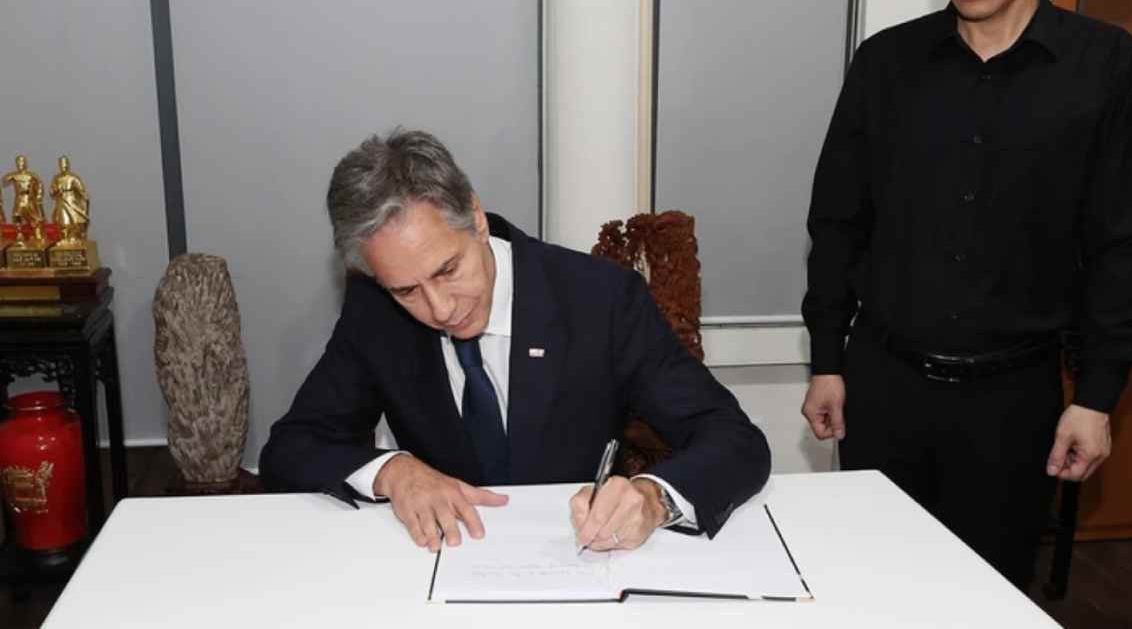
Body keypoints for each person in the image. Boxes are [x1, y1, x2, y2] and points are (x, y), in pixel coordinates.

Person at [800, 0, 1132, 591]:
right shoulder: (886, 64)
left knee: (984, 594)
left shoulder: (1111, 70)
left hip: (1013, 398)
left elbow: (1124, 245)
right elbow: (836, 220)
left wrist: (1097, 397)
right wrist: (827, 358)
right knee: (865, 586)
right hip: (883, 384)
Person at [261, 129, 770, 554]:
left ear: (477, 220)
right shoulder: (375, 314)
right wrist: (392, 471)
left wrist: (653, 498)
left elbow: (735, 440)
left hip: (581, 558)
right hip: (442, 565)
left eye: (448, 269)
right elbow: (291, 448)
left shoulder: (599, 299)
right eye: (407, 290)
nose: (440, 308)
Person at [3, 155, 46, 244]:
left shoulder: (32, 176)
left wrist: (38, 196)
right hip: (19, 199)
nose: (20, 164)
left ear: (25, 163)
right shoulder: (14, 176)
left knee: (35, 217)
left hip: (29, 199)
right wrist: (12, 176)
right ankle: (19, 234)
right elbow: (4, 180)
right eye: (18, 162)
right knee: (17, 216)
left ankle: (37, 233)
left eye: (22, 162)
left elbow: (40, 185)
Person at [50, 156, 90, 243]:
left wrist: (85, 197)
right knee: (63, 221)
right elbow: (52, 192)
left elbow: (81, 190)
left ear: (68, 164)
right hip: (61, 201)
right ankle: (64, 238)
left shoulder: (73, 177)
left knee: (75, 221)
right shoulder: (56, 178)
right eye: (61, 163)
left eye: (65, 163)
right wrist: (56, 191)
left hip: (71, 201)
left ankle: (75, 237)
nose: (63, 166)